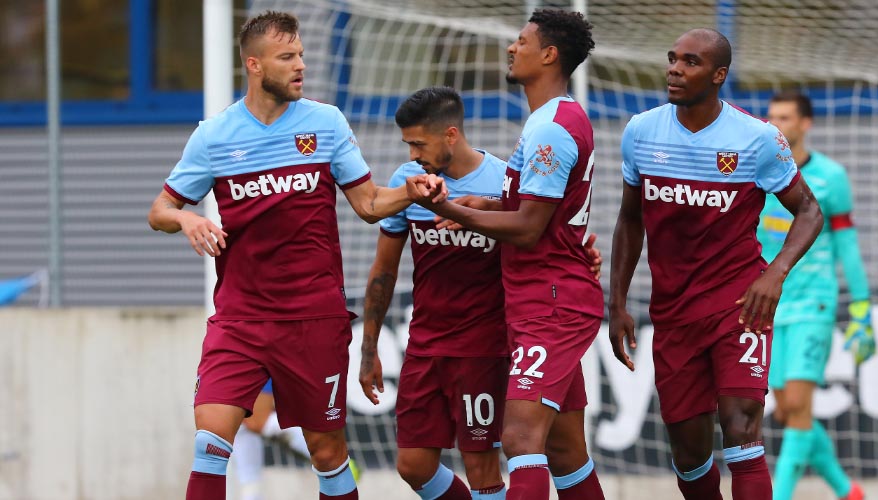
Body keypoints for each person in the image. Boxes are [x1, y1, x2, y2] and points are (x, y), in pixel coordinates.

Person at [147, 11, 444, 500]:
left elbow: (369, 204)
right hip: (241, 317)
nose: (301, 65)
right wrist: (186, 219)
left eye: (301, 54)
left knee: (328, 454)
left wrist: (410, 192)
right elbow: (160, 209)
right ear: (255, 65)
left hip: (312, 317)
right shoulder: (214, 136)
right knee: (209, 443)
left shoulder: (325, 123)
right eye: (287, 57)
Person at [608, 28, 824, 500]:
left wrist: (774, 273)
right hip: (674, 312)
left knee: (742, 427)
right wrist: (617, 301)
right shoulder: (641, 132)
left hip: (740, 304)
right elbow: (630, 218)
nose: (675, 69)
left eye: (690, 62)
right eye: (673, 59)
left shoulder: (757, 138)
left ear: (718, 75)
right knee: (689, 455)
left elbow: (810, 211)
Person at [359, 86, 604, 500]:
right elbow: (384, 270)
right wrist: (369, 349)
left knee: (483, 467)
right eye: (408, 145)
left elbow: (542, 240)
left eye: (419, 144)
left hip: (485, 347)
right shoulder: (408, 184)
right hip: (426, 344)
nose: (413, 155)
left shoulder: (503, 182)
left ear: (450, 135)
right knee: (413, 465)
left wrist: (584, 259)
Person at [408, 10, 604, 500]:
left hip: (551, 304)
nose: (512, 48)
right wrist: (487, 204)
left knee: (519, 438)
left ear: (549, 55)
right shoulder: (546, 121)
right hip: (541, 298)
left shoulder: (552, 127)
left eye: (522, 41)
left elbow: (529, 228)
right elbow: (536, 211)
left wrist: (450, 207)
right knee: (566, 451)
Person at [761, 90, 873, 500]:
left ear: (805, 123)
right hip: (770, 305)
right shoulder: (758, 174)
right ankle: (847, 491)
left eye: (785, 117)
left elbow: (848, 246)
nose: (775, 125)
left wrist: (862, 308)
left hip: (814, 303)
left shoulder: (831, 177)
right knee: (789, 409)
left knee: (798, 406)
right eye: (771, 116)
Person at [232, 381, 361, 500]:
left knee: (253, 420)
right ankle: (252, 495)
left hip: (257, 364)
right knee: (240, 417)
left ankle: (334, 459)